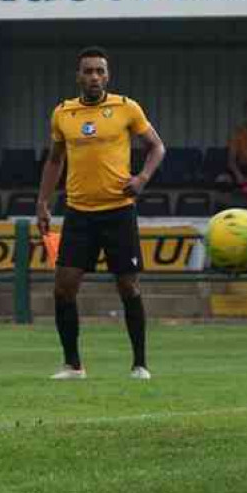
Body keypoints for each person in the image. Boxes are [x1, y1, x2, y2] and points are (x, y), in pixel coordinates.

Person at [36, 46, 165, 381]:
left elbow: (157, 147)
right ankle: (73, 365)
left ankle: (140, 364)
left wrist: (142, 179)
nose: (94, 77)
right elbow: (54, 161)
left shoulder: (126, 108)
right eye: (88, 71)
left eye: (100, 71)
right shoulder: (63, 113)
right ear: (78, 76)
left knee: (128, 287)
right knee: (63, 287)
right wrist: (42, 203)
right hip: (79, 213)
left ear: (108, 76)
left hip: (119, 212)